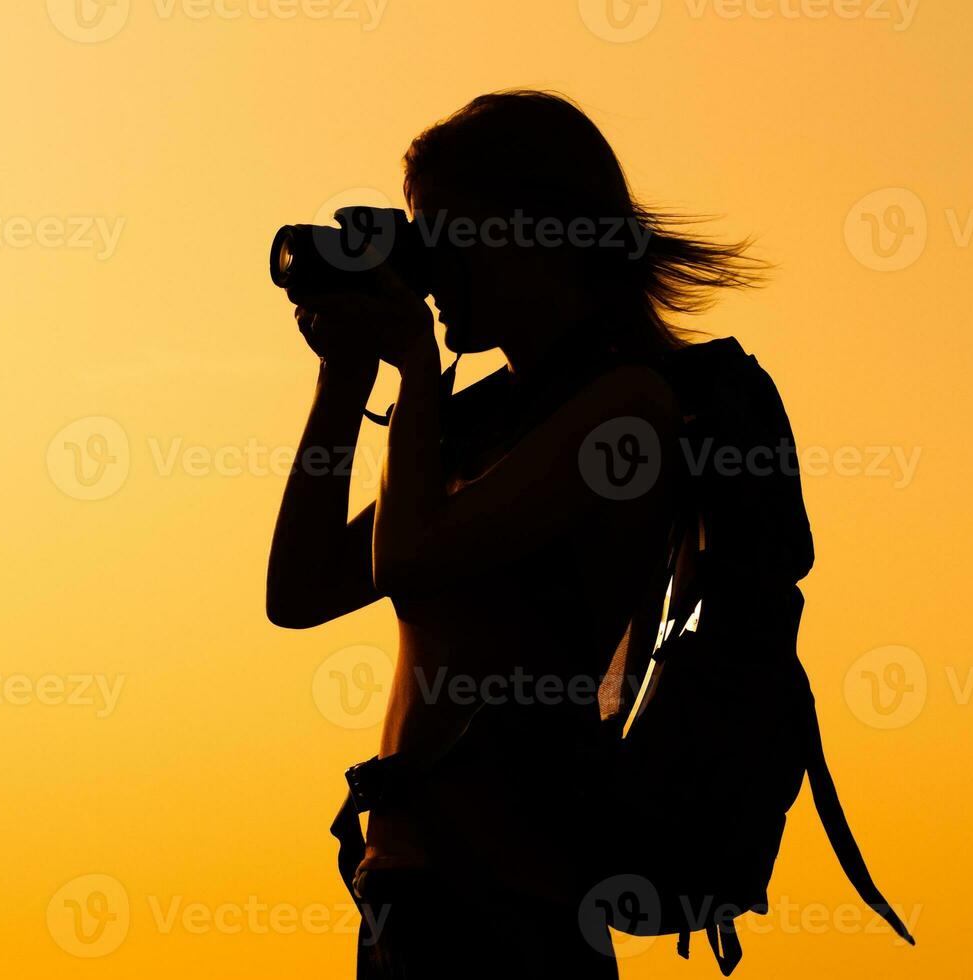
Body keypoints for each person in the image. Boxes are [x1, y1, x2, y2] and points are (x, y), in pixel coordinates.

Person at [267, 90, 764, 978]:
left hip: (512, 909)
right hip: (408, 895)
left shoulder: (625, 412)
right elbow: (298, 591)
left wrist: (417, 366)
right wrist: (344, 377)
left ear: (536, 233)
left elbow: (411, 558)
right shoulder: (488, 420)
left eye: (445, 234)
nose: (428, 267)